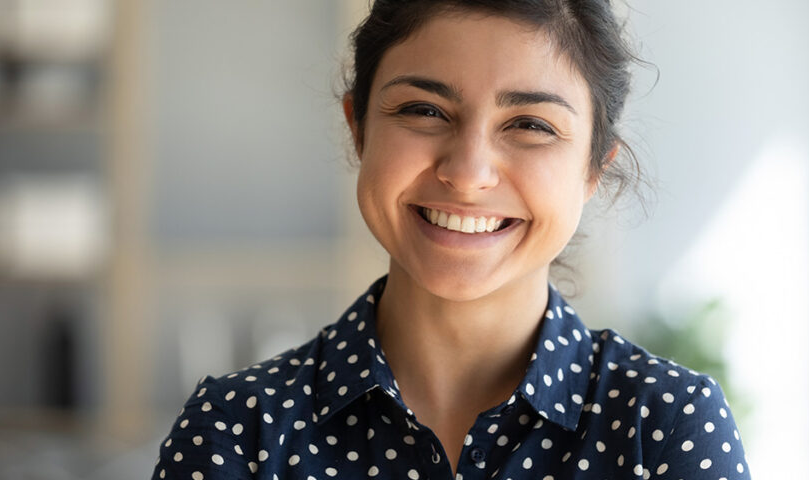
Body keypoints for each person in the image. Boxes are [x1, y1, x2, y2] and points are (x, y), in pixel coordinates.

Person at [151, 1, 751, 479]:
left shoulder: (665, 428)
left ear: (594, 168)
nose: (467, 174)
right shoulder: (237, 431)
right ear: (359, 128)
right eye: (424, 110)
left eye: (531, 124)